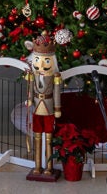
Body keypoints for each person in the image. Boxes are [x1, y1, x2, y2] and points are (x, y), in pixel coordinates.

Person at [24, 34, 61, 178]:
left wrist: (57, 108)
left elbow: (57, 93)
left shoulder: (55, 76)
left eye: (46, 61)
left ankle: (49, 166)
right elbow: (30, 88)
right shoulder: (33, 75)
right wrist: (29, 99)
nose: (41, 65)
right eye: (38, 60)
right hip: (37, 109)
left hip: (49, 107)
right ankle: (37, 165)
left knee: (49, 138)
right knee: (37, 136)